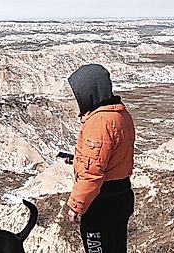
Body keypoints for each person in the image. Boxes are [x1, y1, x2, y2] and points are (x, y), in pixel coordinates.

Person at [65, 64, 135, 253]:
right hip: (121, 195)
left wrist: (76, 206)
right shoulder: (121, 115)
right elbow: (112, 157)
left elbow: (92, 173)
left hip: (102, 203)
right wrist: (78, 159)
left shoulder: (99, 122)